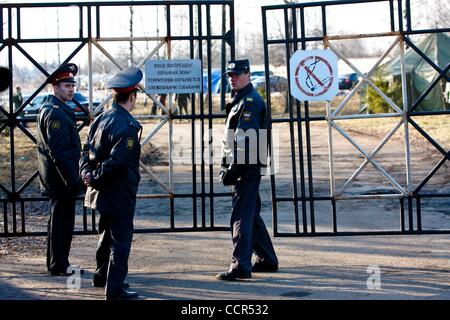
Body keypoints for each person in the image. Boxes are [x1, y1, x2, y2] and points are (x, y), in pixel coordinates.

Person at [80, 67, 143, 300]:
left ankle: (101, 275)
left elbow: (85, 150)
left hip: (101, 191)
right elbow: (117, 162)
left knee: (106, 234)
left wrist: (86, 173)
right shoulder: (127, 126)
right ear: (133, 96)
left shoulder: (101, 118)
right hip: (118, 191)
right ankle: (114, 288)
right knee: (121, 240)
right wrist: (93, 176)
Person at [217, 59, 278, 281]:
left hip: (246, 166)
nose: (233, 78)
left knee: (241, 215)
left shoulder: (249, 102)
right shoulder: (241, 99)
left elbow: (246, 140)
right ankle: (267, 259)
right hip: (246, 165)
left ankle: (241, 265)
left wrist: (233, 169)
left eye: (237, 74)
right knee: (250, 213)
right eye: (230, 75)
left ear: (248, 74)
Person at [36, 63, 83, 276]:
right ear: (55, 87)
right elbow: (60, 152)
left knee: (58, 222)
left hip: (57, 178)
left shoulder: (54, 108)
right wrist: (73, 180)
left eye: (72, 84)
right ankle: (60, 266)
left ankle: (57, 264)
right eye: (66, 85)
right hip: (61, 179)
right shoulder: (55, 114)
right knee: (61, 224)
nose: (71, 89)